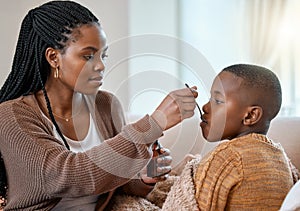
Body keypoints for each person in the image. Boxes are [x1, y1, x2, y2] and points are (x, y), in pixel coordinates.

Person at [0, 1, 198, 210]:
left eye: (103, 56)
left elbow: (117, 181)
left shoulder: (106, 105)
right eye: (88, 56)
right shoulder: (12, 116)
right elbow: (70, 176)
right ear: (53, 57)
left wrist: (145, 176)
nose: (101, 65)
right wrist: (154, 123)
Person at [162, 64, 299, 210]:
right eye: (210, 98)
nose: (205, 107)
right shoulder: (281, 160)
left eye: (218, 101)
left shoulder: (226, 158)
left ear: (251, 115)